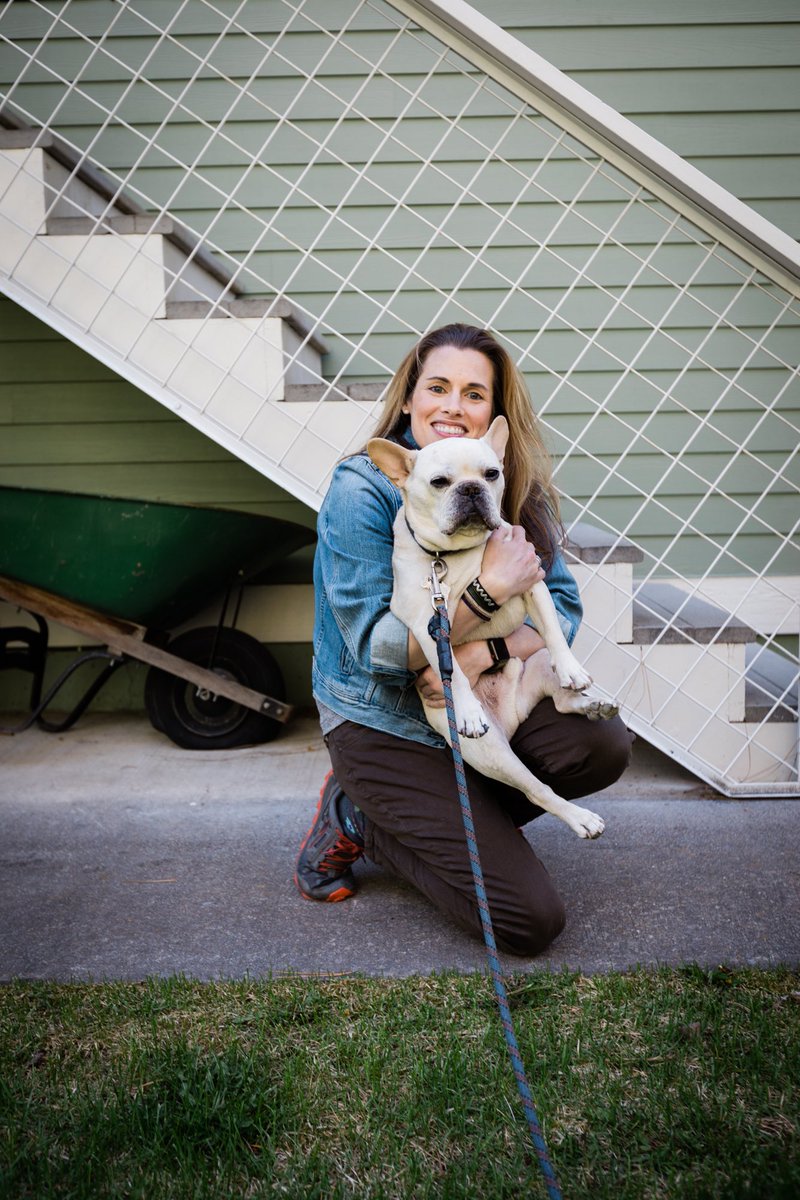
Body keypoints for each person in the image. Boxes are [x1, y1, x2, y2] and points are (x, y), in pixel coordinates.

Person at [295, 323, 633, 956]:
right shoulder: (362, 488)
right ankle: (362, 818)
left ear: (493, 414)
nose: (454, 406)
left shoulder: (504, 478)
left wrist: (481, 651)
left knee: (601, 743)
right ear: (408, 399)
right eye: (438, 387)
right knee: (530, 923)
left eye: (474, 394)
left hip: (483, 695)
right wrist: (485, 597)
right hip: (385, 724)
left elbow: (559, 603)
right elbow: (382, 653)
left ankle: (453, 822)